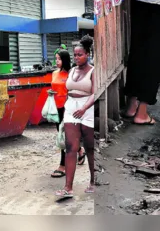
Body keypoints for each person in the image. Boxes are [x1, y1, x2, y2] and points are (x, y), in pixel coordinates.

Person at [55, 36, 96, 198]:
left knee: (90, 147)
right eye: (75, 55)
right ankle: (68, 187)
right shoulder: (72, 70)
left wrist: (84, 107)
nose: (77, 58)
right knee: (71, 147)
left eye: (80, 55)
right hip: (71, 108)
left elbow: (95, 93)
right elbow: (67, 91)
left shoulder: (93, 71)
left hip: (87, 108)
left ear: (87, 54)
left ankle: (93, 181)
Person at [48, 49, 86, 178]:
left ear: (65, 60)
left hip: (68, 108)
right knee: (61, 135)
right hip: (56, 108)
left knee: (65, 137)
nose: (57, 61)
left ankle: (63, 165)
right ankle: (80, 150)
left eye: (59, 59)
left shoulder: (72, 74)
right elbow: (54, 88)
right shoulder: (54, 73)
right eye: (56, 58)